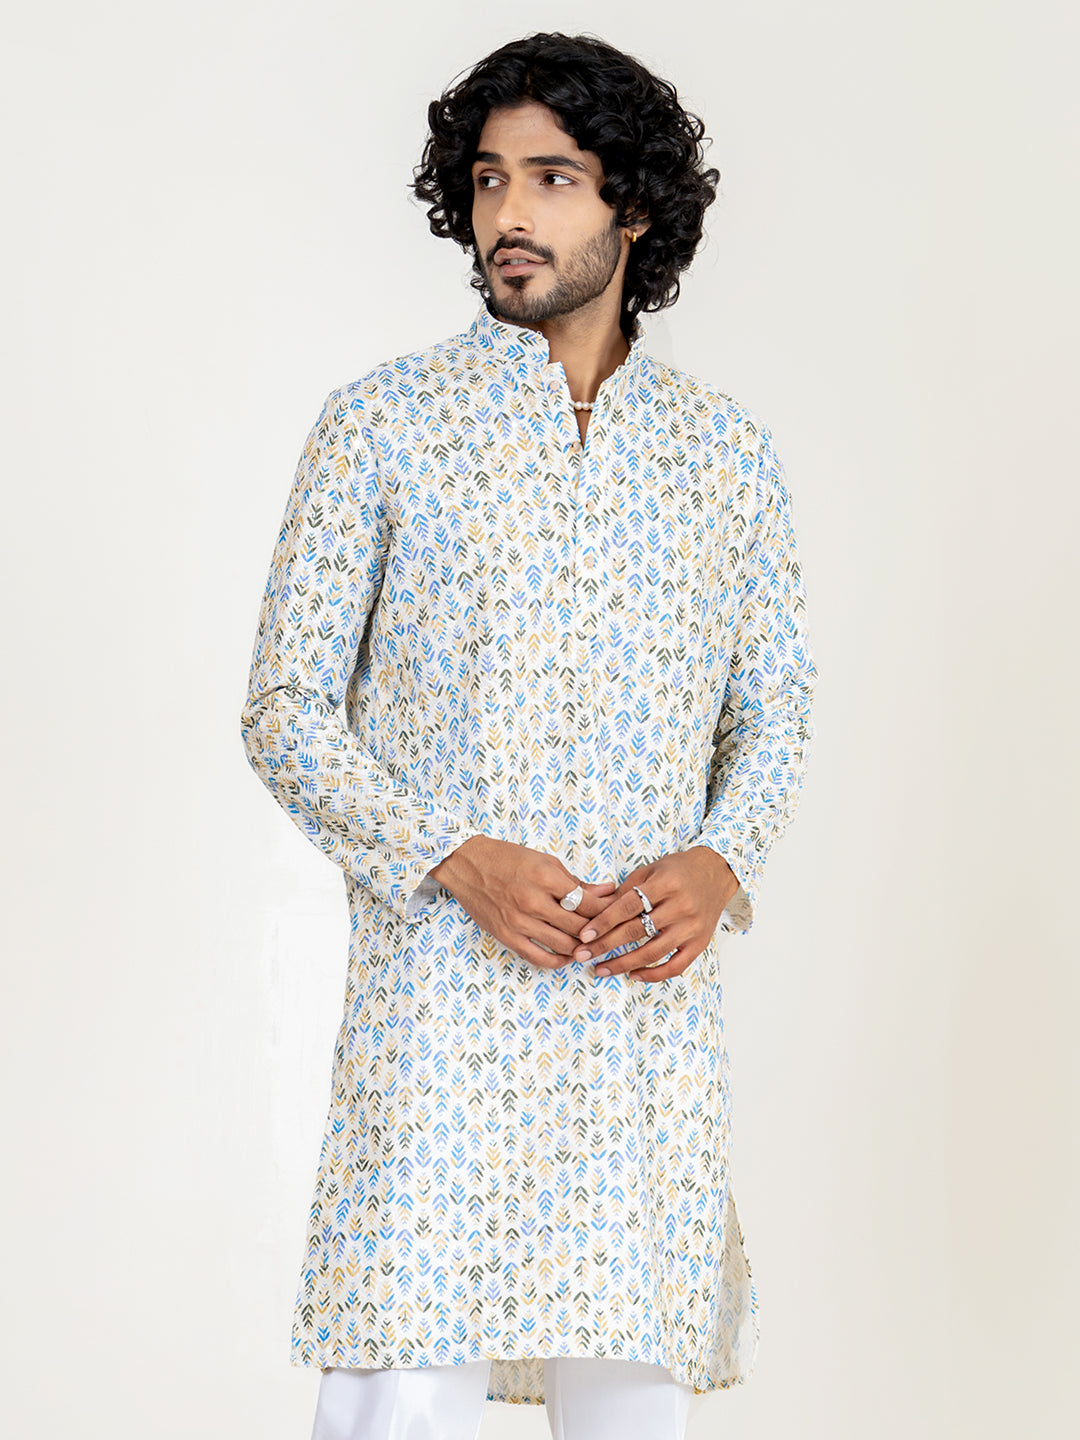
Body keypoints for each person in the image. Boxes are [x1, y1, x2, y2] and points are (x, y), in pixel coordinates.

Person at [241, 30, 817, 1440]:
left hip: (637, 1019)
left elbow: (775, 704)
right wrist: (451, 856)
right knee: (399, 1387)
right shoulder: (382, 427)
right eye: (490, 178)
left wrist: (720, 863)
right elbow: (286, 708)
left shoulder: (722, 454)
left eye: (553, 178)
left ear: (634, 208)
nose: (509, 212)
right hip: (442, 1009)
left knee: (631, 1395)